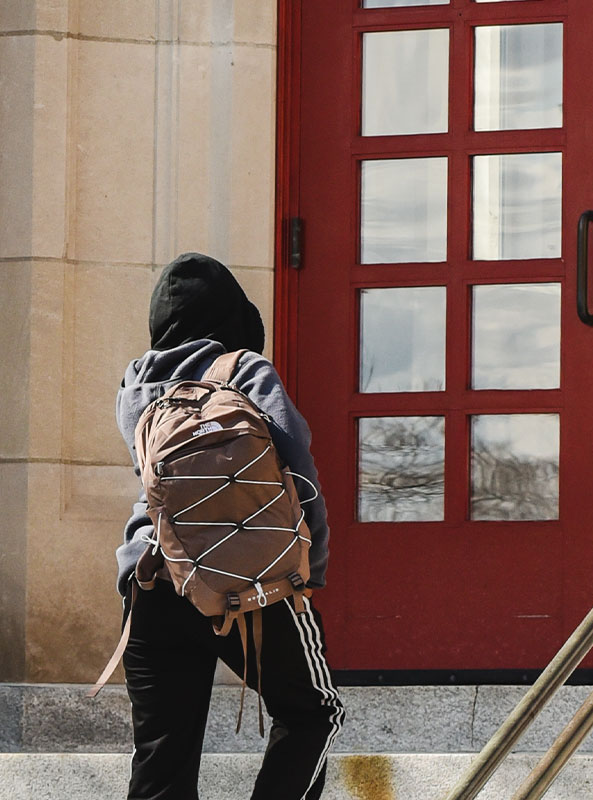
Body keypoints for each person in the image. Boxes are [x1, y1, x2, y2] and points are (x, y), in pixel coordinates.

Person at [114, 253, 344, 800]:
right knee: (313, 713)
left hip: (153, 579)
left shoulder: (134, 384)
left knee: (162, 759)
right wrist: (308, 569)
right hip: (251, 583)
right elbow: (299, 473)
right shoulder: (243, 369)